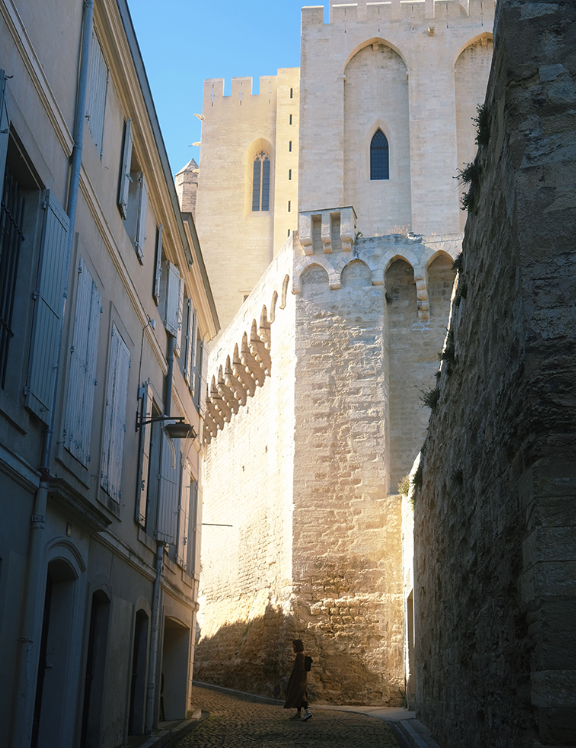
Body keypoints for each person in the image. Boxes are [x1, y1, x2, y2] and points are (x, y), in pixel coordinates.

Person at [284, 639, 312, 721]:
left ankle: (307, 712)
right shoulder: (302, 655)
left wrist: (297, 680)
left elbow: (300, 669)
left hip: (299, 681)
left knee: (301, 697)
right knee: (299, 696)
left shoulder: (300, 655)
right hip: (301, 680)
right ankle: (298, 714)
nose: (293, 647)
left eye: (294, 645)